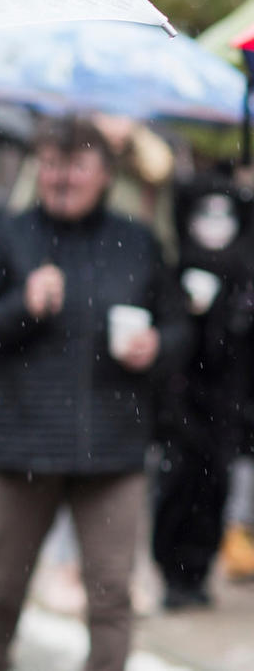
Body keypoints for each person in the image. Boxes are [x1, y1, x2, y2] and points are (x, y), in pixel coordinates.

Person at [0, 116, 188, 671]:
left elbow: (180, 329)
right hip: (24, 444)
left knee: (111, 596)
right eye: (52, 164)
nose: (62, 177)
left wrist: (157, 346)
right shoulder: (10, 234)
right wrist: (22, 306)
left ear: (104, 174)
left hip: (114, 447)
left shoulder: (138, 240)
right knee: (4, 590)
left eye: (77, 165)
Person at [151, 169, 254, 609]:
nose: (215, 226)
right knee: (177, 485)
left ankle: (196, 572)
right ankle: (173, 574)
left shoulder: (241, 273)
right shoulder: (175, 269)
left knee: (215, 488)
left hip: (228, 403)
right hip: (181, 400)